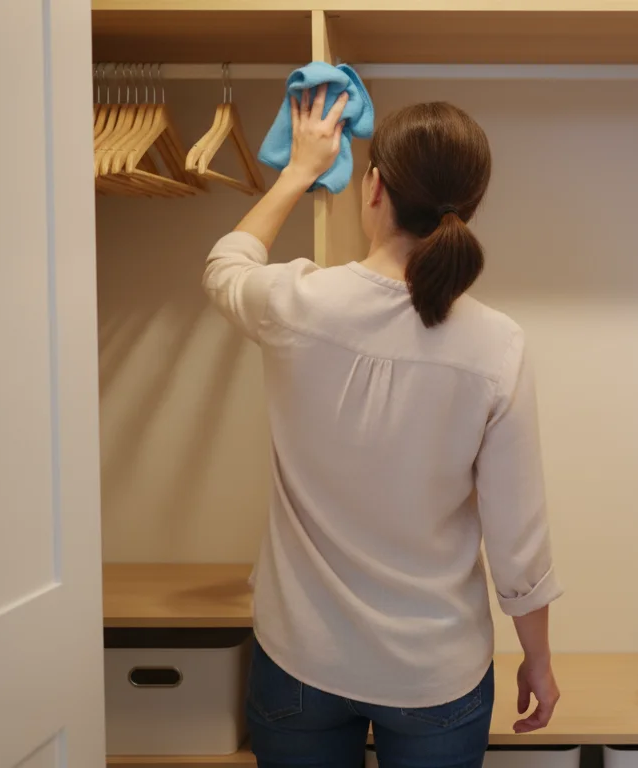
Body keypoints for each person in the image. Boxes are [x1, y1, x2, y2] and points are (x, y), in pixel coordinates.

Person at [203, 86, 562, 768]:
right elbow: (521, 542)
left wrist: (300, 171)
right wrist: (538, 662)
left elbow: (225, 264)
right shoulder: (497, 345)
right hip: (436, 672)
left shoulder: (297, 304)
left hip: (300, 656)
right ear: (470, 210)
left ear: (374, 189)